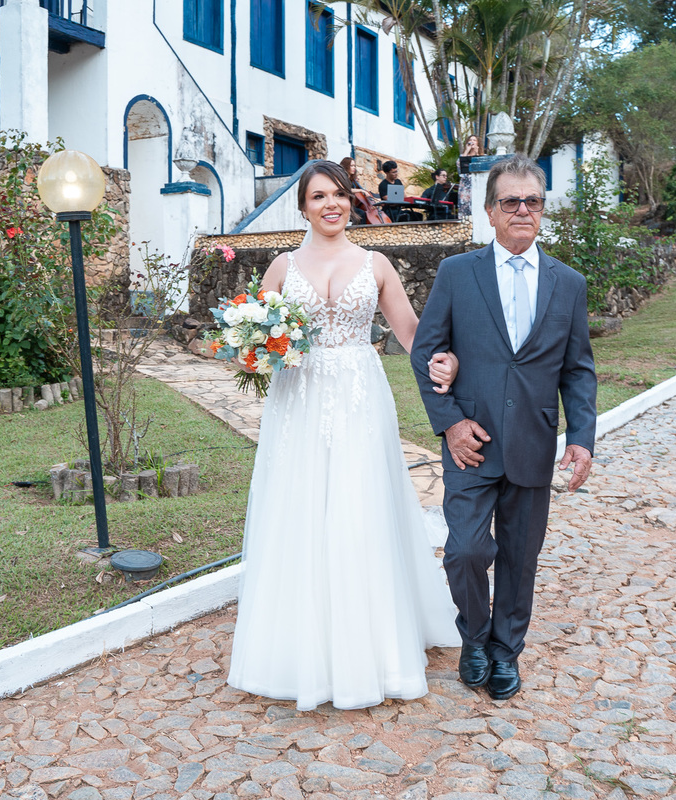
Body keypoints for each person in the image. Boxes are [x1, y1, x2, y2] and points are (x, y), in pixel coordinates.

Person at [228, 160, 461, 710]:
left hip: (359, 396)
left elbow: (411, 333)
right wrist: (256, 352)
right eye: (317, 196)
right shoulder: (281, 267)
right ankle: (298, 646)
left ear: (351, 201)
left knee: (360, 505)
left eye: (338, 194)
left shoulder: (376, 263)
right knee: (301, 506)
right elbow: (255, 341)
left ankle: (372, 647)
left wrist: (442, 364)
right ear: (303, 206)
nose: (330, 204)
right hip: (299, 401)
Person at [409, 155, 598, 701]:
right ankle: (473, 636)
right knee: (466, 550)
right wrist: (448, 425)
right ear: (490, 211)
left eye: (532, 201)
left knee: (521, 556)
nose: (522, 210)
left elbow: (577, 369)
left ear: (542, 211)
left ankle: (503, 649)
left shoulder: (569, 284)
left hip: (533, 443)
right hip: (471, 443)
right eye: (510, 201)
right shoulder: (457, 273)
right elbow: (425, 352)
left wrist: (581, 438)